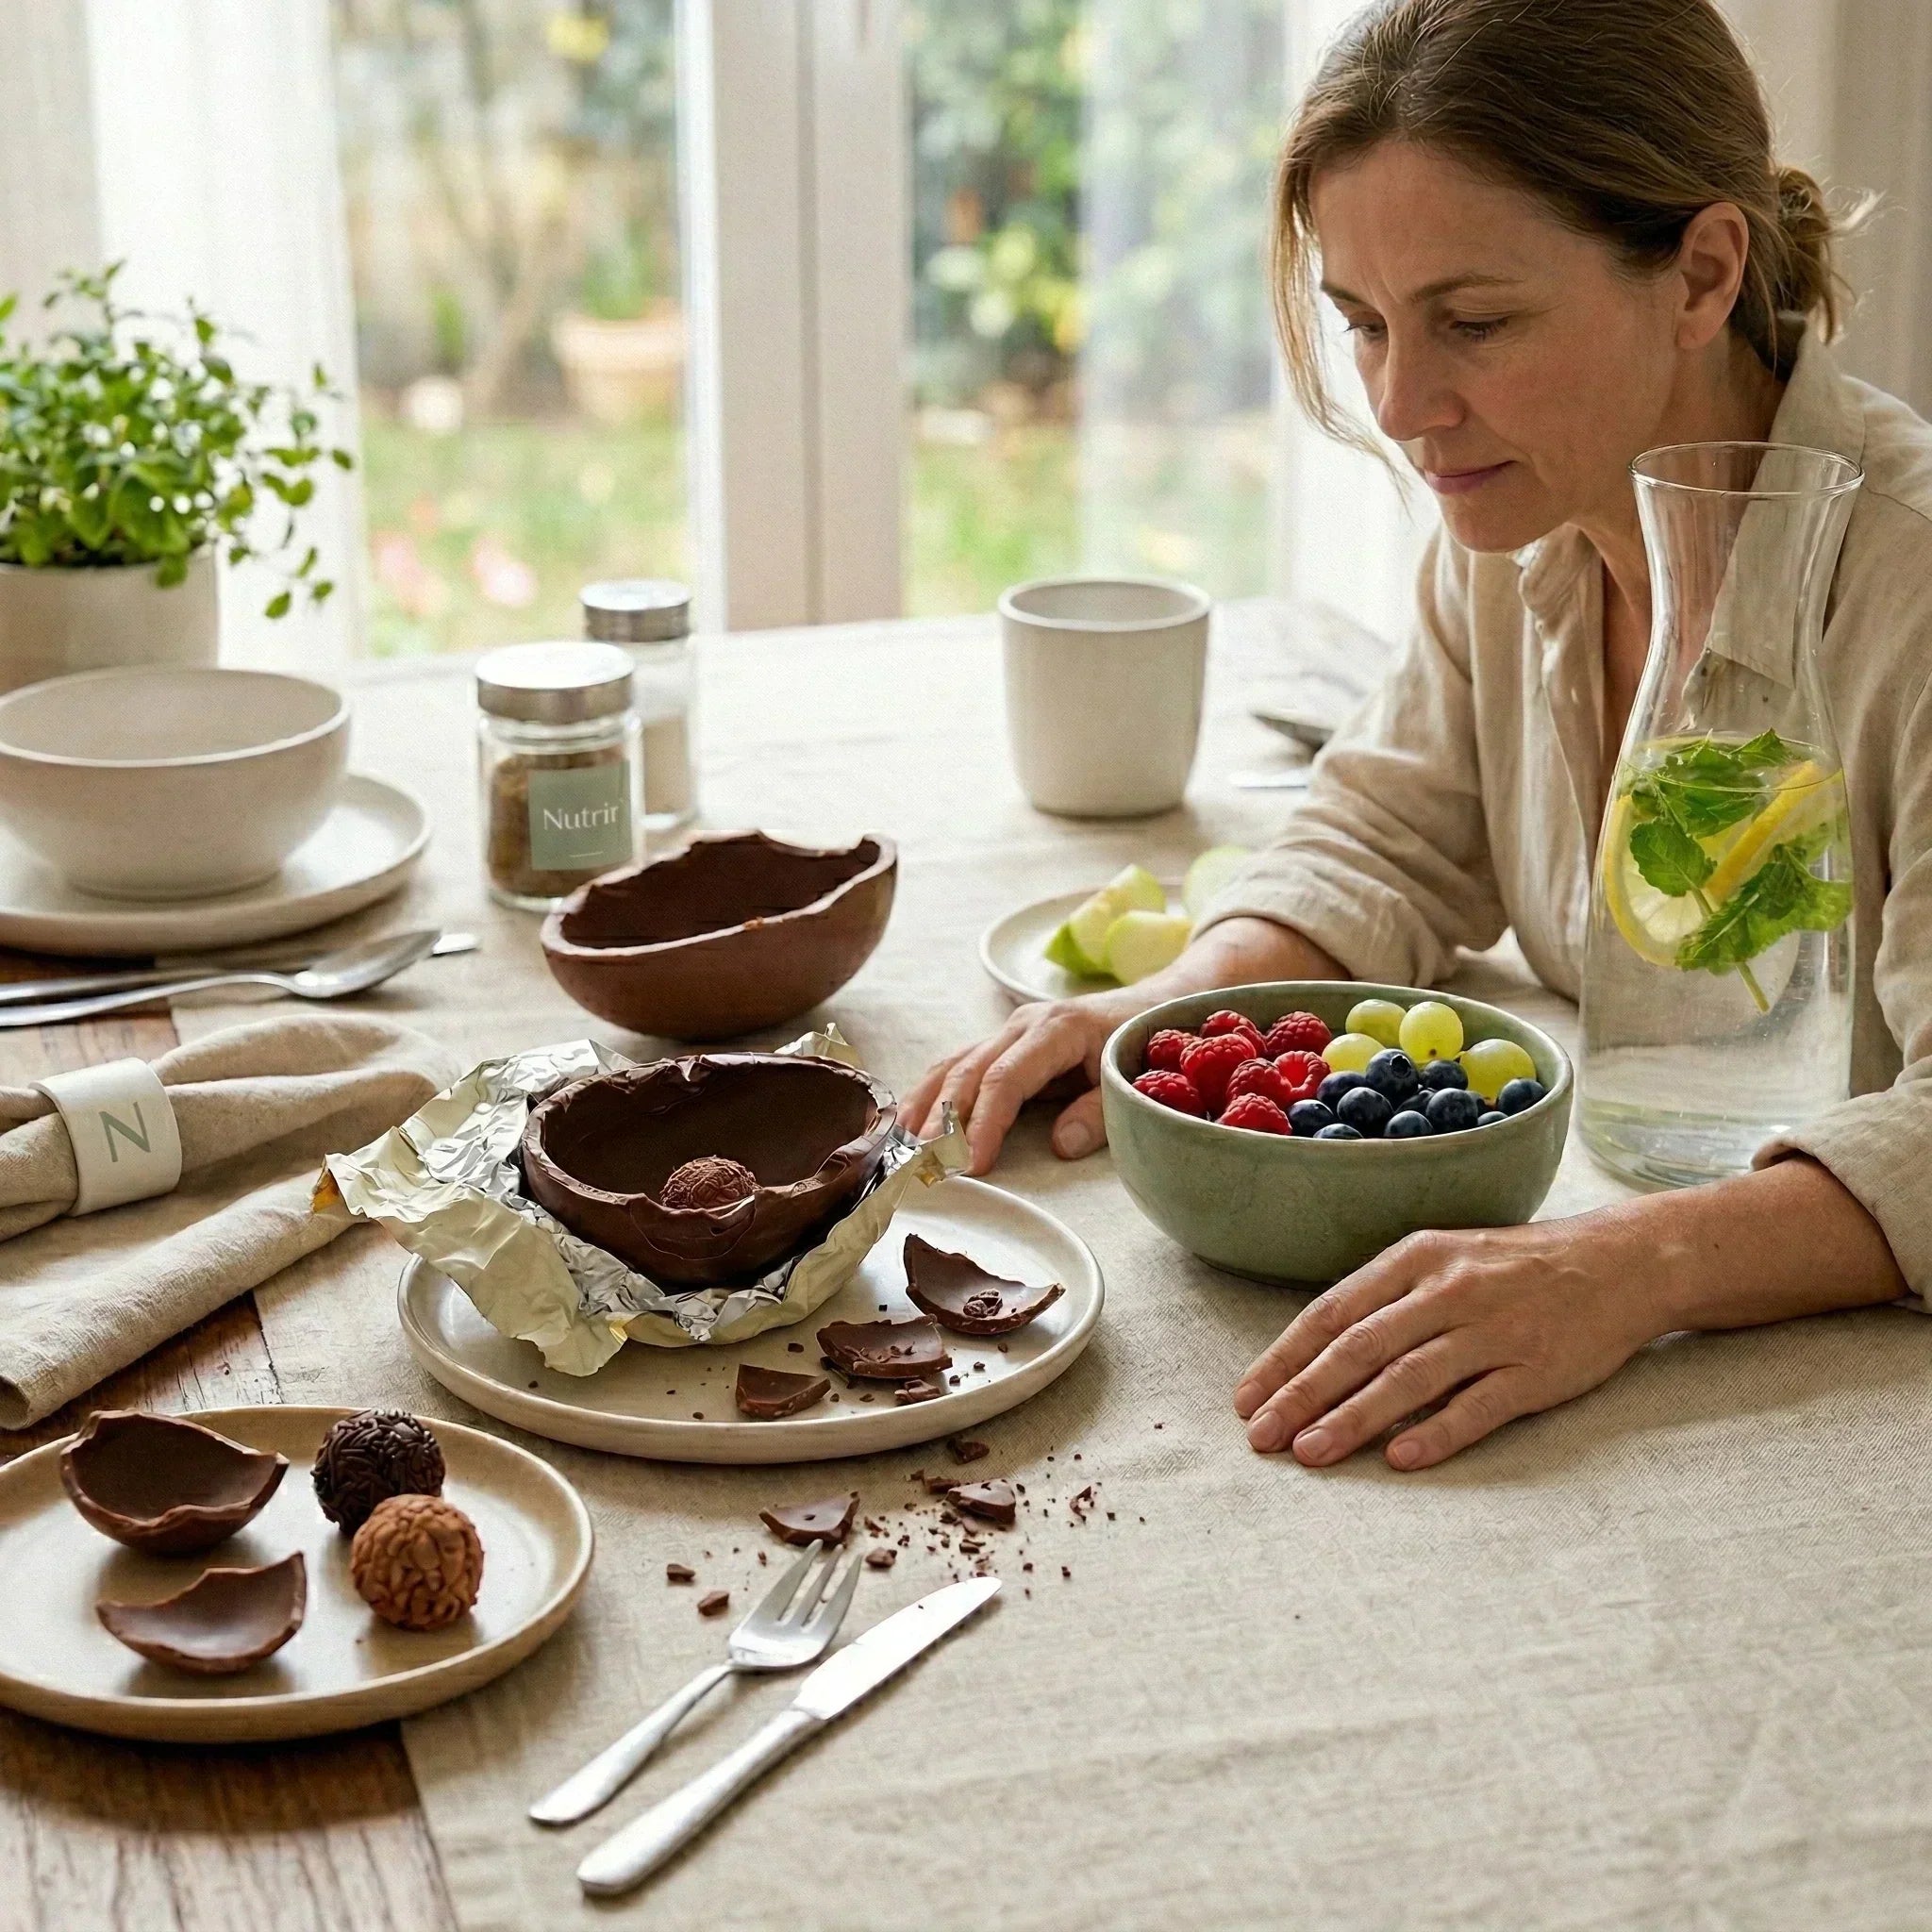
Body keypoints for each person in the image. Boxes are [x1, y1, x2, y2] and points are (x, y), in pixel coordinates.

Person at [905, 0, 1932, 1474]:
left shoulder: (1909, 586)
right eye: (1365, 323)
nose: (1399, 406)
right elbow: (1389, 836)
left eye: (1476, 323)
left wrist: (1619, 1271)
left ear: (1703, 274)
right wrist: (1175, 1011)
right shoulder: (1526, 520)